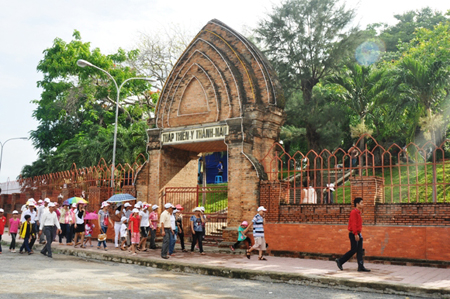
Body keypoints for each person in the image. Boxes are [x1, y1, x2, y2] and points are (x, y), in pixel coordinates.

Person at [335, 197, 370, 272]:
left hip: (358, 234)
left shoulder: (358, 212)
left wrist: (358, 234)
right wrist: (355, 234)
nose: (363, 204)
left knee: (359, 251)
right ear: (357, 204)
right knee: (354, 250)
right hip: (354, 234)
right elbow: (353, 224)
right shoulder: (354, 212)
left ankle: (361, 266)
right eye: (361, 203)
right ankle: (340, 261)